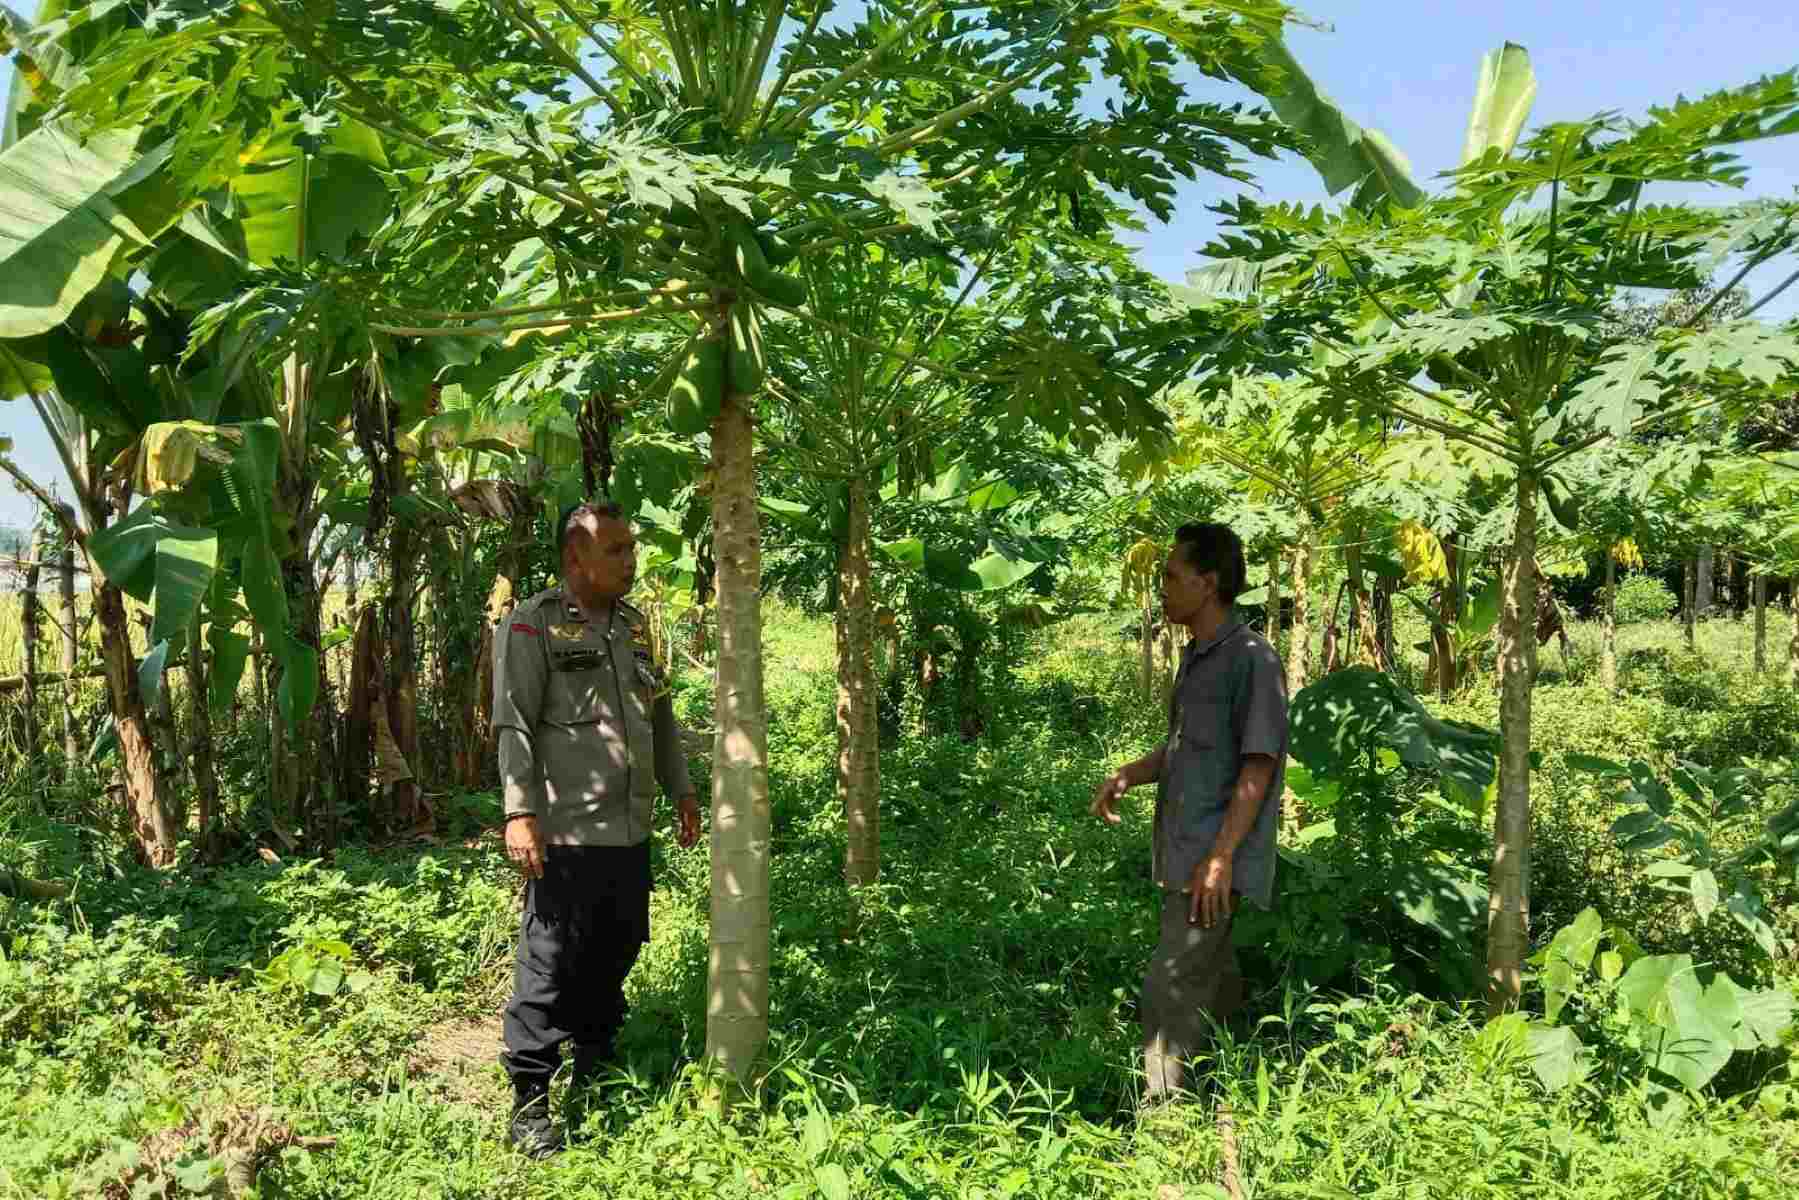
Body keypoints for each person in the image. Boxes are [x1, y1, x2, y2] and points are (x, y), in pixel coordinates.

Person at [492, 501, 702, 1158]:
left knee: (616, 948)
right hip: (565, 830)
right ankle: (529, 1105)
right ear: (575, 558)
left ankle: (594, 1069)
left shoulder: (637, 629)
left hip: (628, 828)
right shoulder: (533, 625)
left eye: (630, 547)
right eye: (614, 549)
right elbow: (514, 722)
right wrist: (518, 811)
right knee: (550, 963)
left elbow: (659, 717)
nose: (629, 559)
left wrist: (682, 787)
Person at [1090, 522, 1288, 1103]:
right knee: (1207, 979)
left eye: (1171, 577)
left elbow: (1258, 768)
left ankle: (1163, 1114)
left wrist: (1221, 858)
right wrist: (1128, 773)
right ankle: (1221, 1092)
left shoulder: (1253, 660)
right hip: (1187, 851)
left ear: (1208, 583)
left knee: (1170, 984)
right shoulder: (1199, 657)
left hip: (1211, 859)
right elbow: (1183, 746)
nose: (1162, 588)